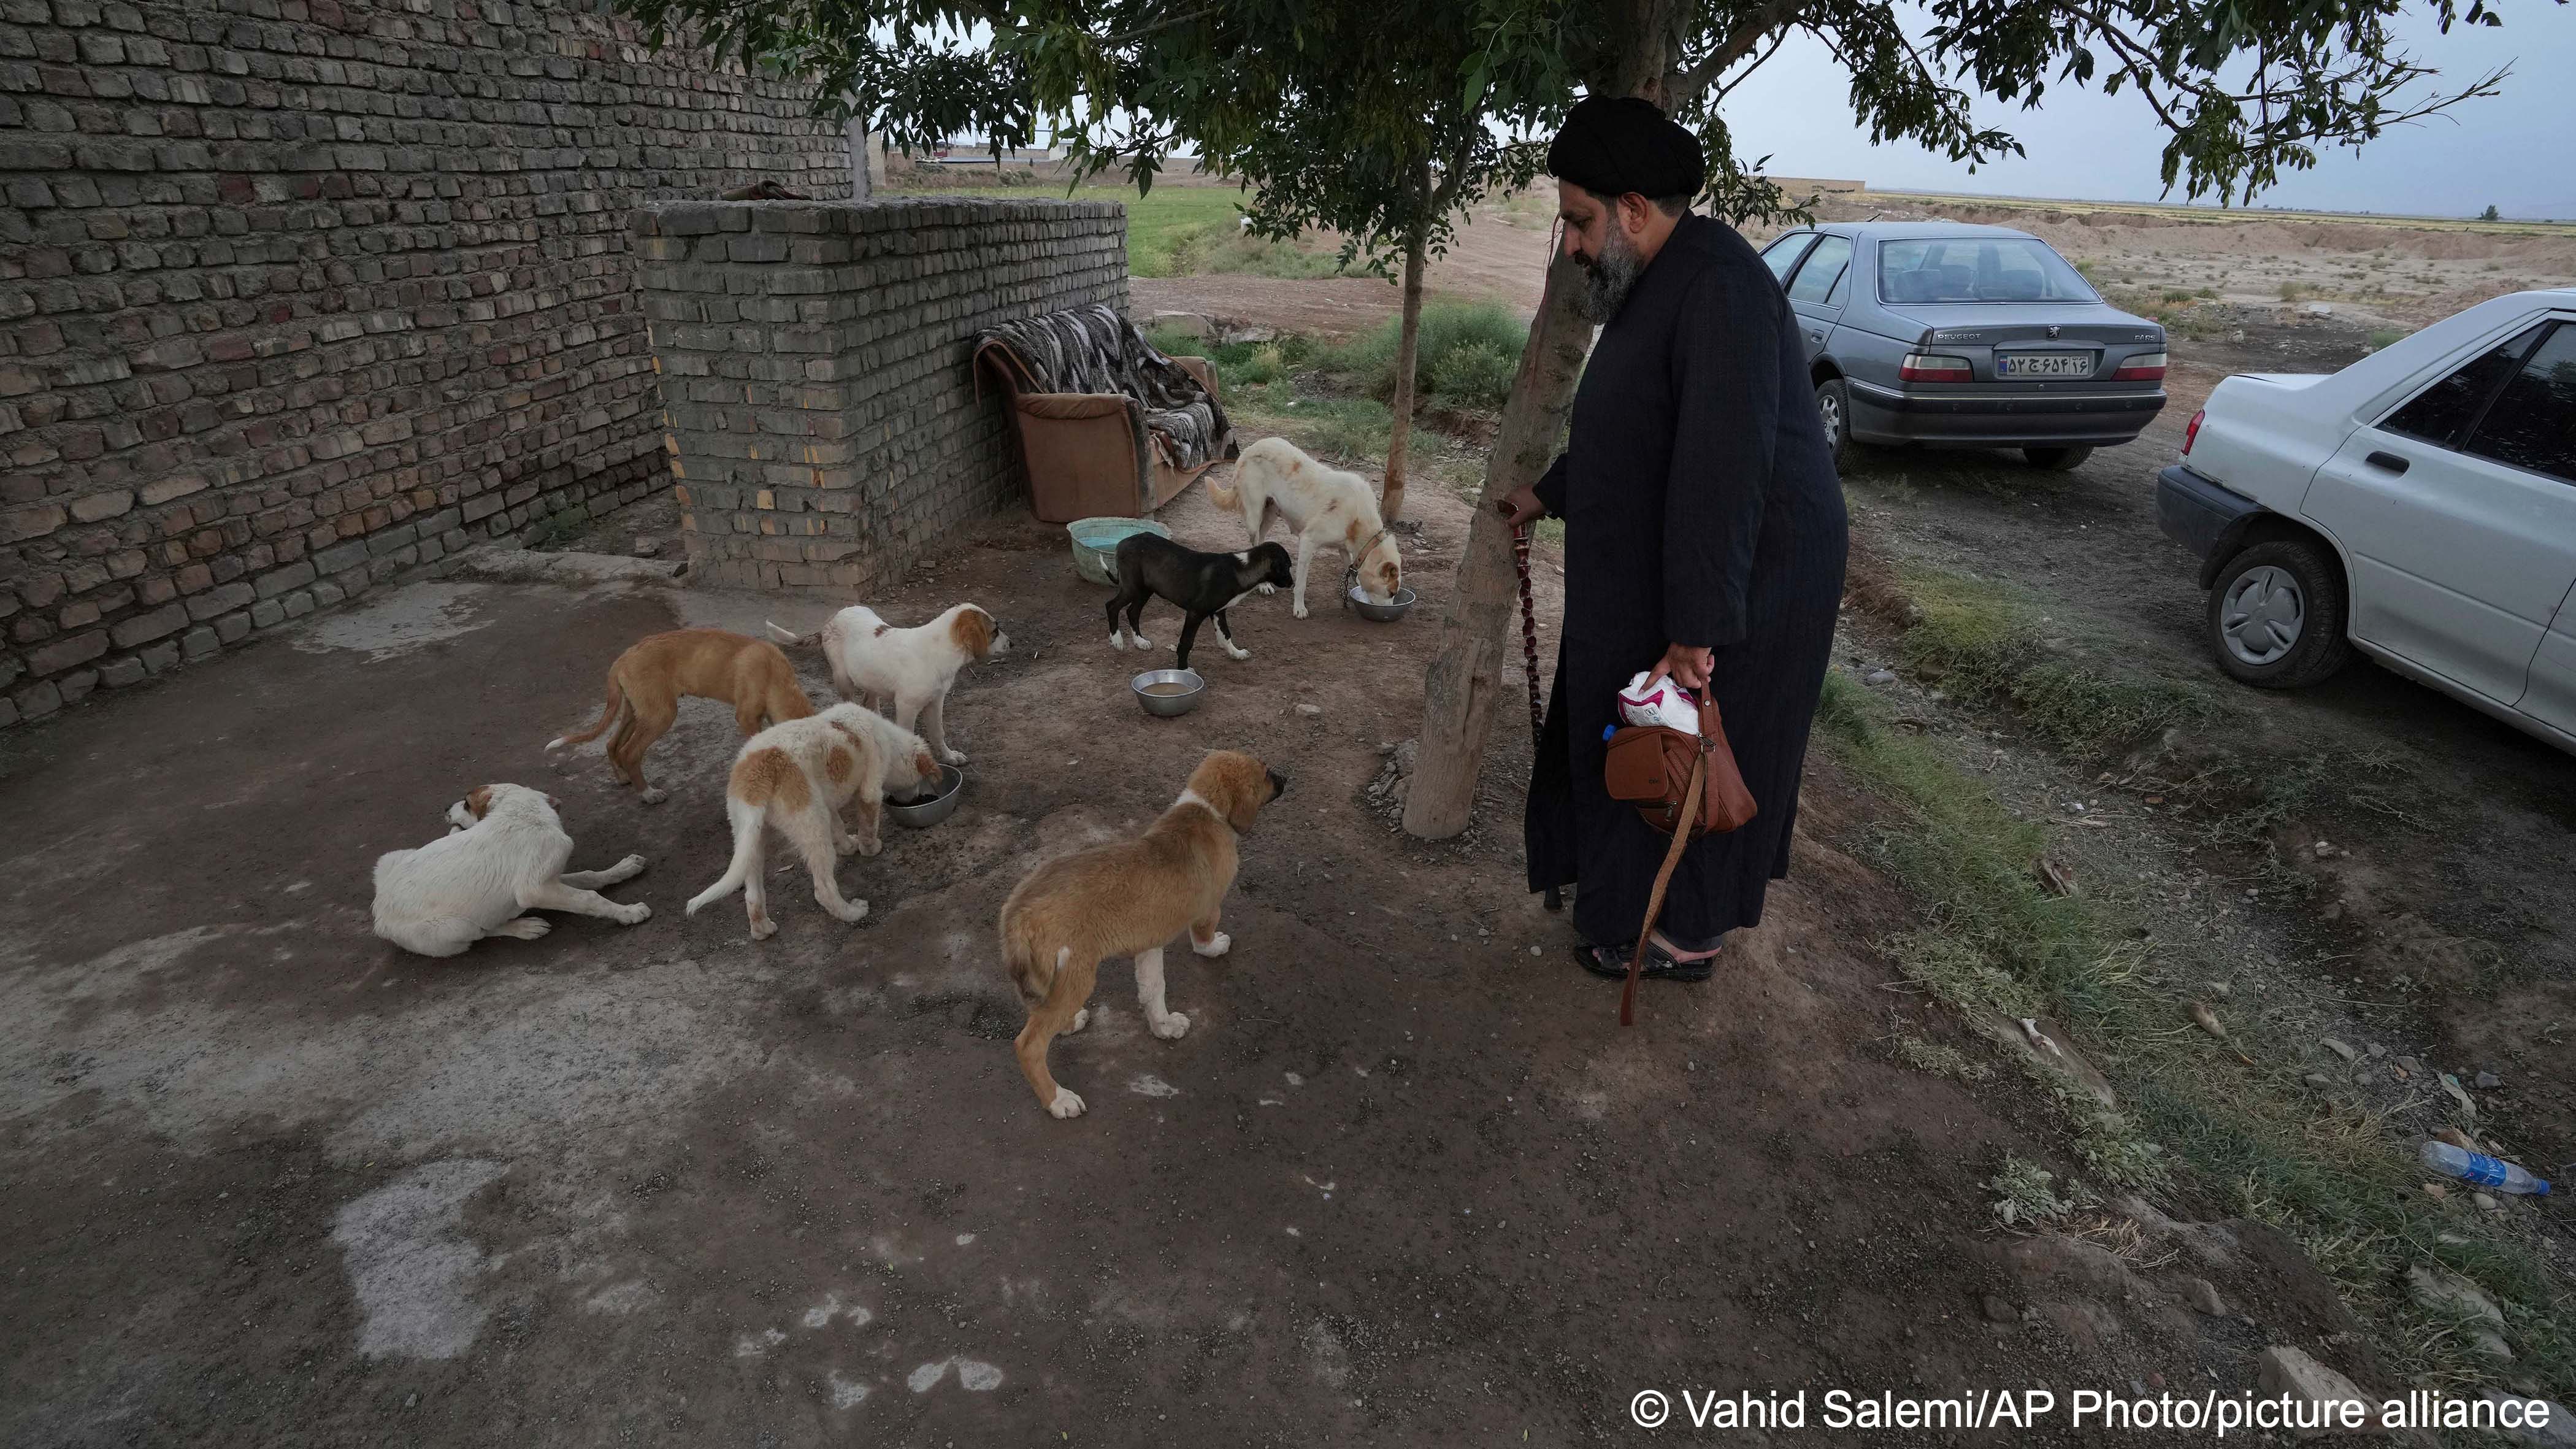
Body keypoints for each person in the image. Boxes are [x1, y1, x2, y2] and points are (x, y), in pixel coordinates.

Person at [1500, 95, 1849, 984]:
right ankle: (1629, 900)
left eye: (1579, 222)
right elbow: (1638, 429)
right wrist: (1548, 494)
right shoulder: (1666, 279)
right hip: (1705, 563)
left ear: (1631, 210)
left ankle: (1686, 933)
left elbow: (1720, 469)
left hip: (1755, 573)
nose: (1572, 247)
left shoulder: (1720, 287)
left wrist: (1697, 630)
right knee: (1650, 744)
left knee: (1703, 756)